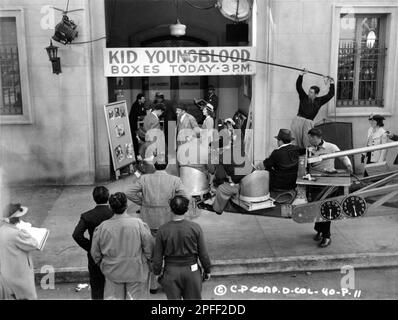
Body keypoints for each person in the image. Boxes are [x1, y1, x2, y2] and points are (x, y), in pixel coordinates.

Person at [126, 155, 187, 293]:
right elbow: (186, 196)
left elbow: (129, 192)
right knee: (170, 252)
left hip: (149, 221)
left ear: (154, 165)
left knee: (153, 253)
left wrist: (143, 203)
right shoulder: (174, 180)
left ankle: (153, 285)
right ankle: (169, 283)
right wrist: (173, 205)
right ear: (167, 165)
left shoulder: (144, 178)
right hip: (167, 221)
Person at [91, 192, 153, 300]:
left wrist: (102, 264)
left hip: (112, 272)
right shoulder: (138, 224)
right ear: (126, 205)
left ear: (110, 207)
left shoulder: (102, 227)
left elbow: (95, 253)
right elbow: (149, 248)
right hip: (136, 270)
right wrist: (147, 262)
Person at [152, 195, 211, 300]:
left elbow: (157, 257)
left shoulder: (162, 230)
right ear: (186, 209)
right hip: (192, 271)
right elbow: (203, 254)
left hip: (170, 272)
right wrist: (207, 270)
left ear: (171, 209)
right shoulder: (195, 228)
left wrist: (157, 272)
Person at [307, 128, 352, 248]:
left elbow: (343, 156)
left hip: (328, 183)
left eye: (310, 138)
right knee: (316, 208)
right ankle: (319, 230)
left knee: (326, 209)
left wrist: (348, 165)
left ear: (315, 137)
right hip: (314, 182)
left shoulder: (331, 147)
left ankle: (326, 236)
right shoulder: (309, 149)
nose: (309, 140)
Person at [72, 186, 113, 300]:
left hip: (95, 255)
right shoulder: (114, 214)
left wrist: (90, 247)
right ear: (108, 197)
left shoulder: (87, 216)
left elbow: (77, 234)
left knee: (96, 286)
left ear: (94, 198)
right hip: (113, 253)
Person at [0, 204, 39, 300]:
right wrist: (25, 231)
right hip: (20, 273)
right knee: (27, 296)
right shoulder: (16, 233)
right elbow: (33, 244)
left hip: (6, 272)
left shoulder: (2, 230)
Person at [291, 69, 335, 148]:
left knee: (308, 142)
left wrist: (332, 83)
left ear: (316, 94)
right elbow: (298, 86)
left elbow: (331, 94)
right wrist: (301, 75)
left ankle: (308, 158)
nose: (309, 94)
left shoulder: (320, 101)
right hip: (298, 120)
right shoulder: (303, 97)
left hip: (308, 123)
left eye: (311, 92)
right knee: (295, 142)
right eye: (309, 91)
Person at [129, 93, 147, 160]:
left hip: (136, 125)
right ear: (139, 99)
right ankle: (136, 155)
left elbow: (143, 112)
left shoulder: (141, 105)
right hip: (133, 126)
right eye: (143, 99)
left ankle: (138, 154)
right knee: (135, 140)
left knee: (138, 139)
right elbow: (139, 114)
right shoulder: (135, 105)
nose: (144, 100)